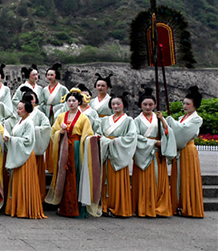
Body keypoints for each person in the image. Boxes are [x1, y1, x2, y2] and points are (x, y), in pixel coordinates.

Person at [45, 90, 100, 218]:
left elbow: (88, 134)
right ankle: (64, 207)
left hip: (76, 148)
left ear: (79, 102)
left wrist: (91, 139)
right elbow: (53, 133)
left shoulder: (83, 118)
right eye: (69, 100)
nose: (71, 103)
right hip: (63, 147)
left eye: (74, 101)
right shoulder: (61, 116)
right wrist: (61, 132)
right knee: (63, 176)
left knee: (75, 175)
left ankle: (77, 208)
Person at [132, 88, 175, 217]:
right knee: (144, 181)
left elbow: (168, 132)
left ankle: (159, 207)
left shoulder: (158, 118)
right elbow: (135, 136)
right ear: (141, 105)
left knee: (159, 181)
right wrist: (153, 143)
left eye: (151, 104)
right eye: (145, 104)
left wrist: (162, 120)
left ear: (155, 105)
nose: (148, 107)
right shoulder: (136, 121)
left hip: (157, 153)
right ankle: (144, 207)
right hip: (145, 153)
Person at [165, 86, 205, 218]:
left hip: (188, 150)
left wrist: (170, 122)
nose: (185, 106)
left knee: (187, 177)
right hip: (180, 150)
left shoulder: (196, 119)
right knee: (178, 177)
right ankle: (178, 204)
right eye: (184, 103)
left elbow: (182, 132)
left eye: (188, 104)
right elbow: (176, 130)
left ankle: (189, 206)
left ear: (195, 105)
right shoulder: (183, 117)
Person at [4, 100, 46, 219]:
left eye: (20, 108)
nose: (18, 111)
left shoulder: (29, 123)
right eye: (17, 108)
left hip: (26, 156)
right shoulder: (20, 122)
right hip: (19, 154)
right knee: (17, 181)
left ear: (27, 110)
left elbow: (28, 141)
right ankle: (17, 208)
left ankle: (24, 209)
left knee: (24, 181)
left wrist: (11, 139)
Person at [98, 92, 138, 217]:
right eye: (113, 104)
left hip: (118, 152)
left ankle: (117, 207)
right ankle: (104, 206)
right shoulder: (105, 120)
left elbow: (131, 137)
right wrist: (104, 140)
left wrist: (113, 141)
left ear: (123, 105)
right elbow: (99, 133)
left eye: (118, 104)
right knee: (104, 179)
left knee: (117, 180)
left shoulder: (128, 120)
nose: (115, 106)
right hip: (107, 152)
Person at [18, 89, 52, 200]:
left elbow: (47, 127)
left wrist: (33, 130)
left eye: (32, 98)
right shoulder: (20, 113)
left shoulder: (39, 114)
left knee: (37, 173)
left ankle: (37, 196)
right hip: (23, 147)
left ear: (35, 100)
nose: (30, 101)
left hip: (35, 147)